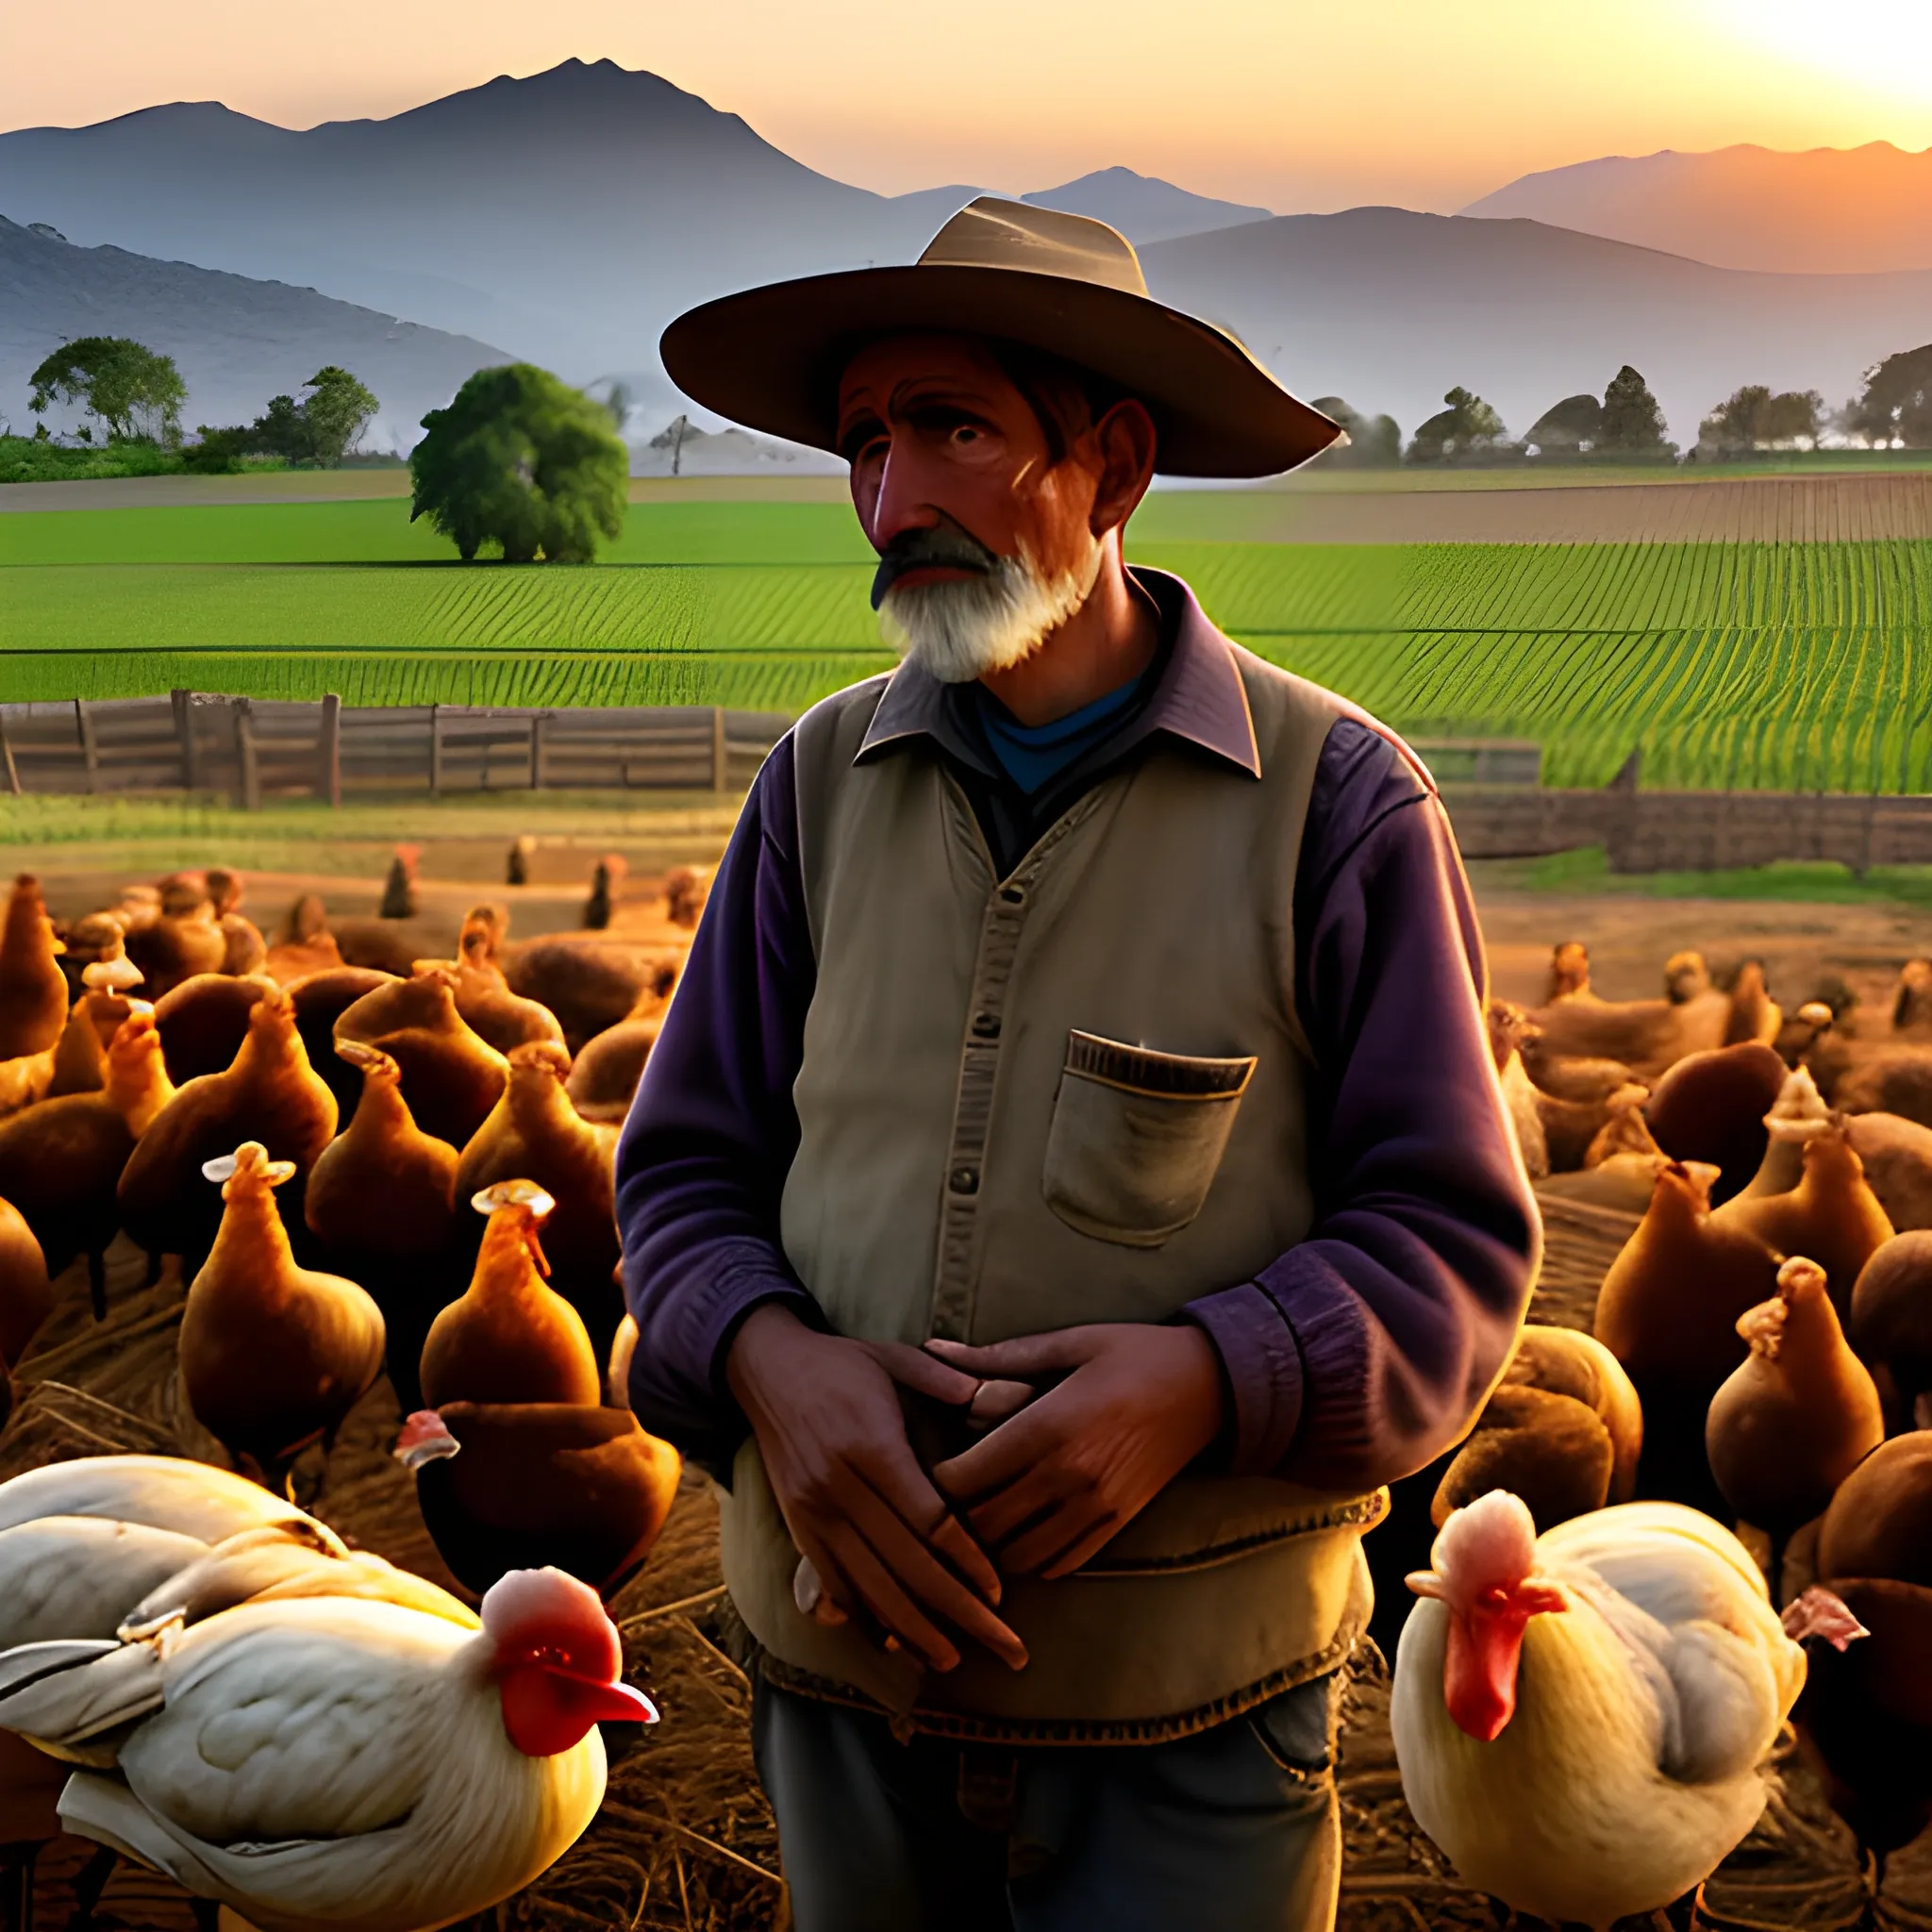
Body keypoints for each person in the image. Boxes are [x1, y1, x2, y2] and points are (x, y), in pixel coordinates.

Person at [618, 198, 1540, 1932]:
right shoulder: (815, 789)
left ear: (1111, 470)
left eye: (952, 429)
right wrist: (766, 1363)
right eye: (864, 445)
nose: (894, 505)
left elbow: (1451, 1245)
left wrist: (1211, 1377)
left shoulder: (1336, 806)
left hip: (1186, 1719)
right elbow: (681, 1174)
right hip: (837, 1692)